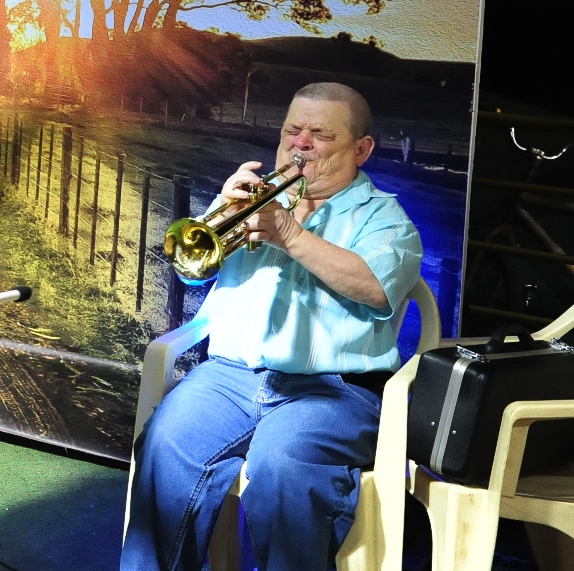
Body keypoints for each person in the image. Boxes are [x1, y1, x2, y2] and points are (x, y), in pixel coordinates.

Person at [121, 82, 423, 571]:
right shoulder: (252, 204)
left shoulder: (387, 219)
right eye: (292, 130)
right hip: (228, 377)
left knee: (283, 467)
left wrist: (290, 234)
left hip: (333, 390)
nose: (300, 144)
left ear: (361, 149)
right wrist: (220, 213)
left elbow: (377, 288)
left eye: (320, 135)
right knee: (165, 444)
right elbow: (189, 267)